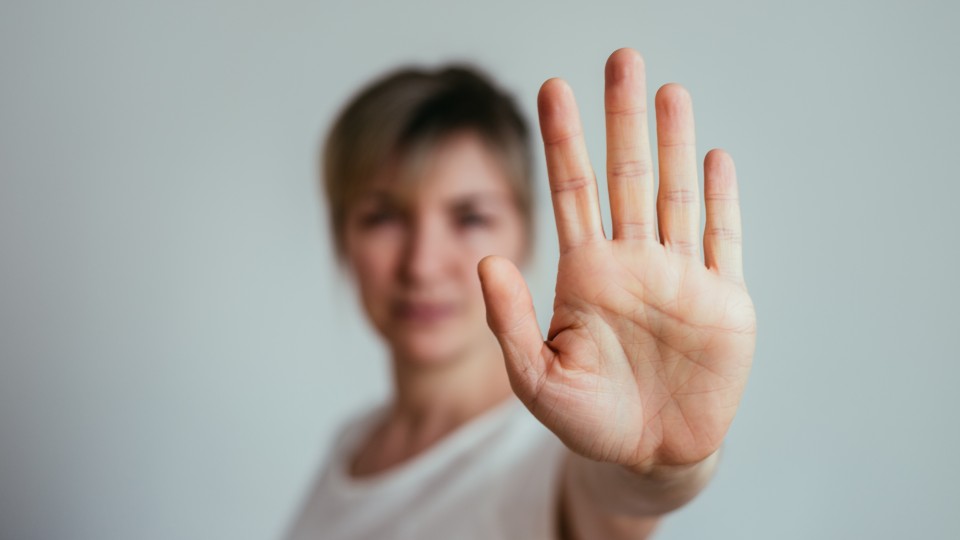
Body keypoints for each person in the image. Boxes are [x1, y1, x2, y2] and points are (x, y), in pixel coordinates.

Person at [285, 48, 757, 540]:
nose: (421, 264)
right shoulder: (351, 446)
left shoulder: (559, 449)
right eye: (382, 217)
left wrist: (660, 468)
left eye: (470, 217)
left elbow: (618, 494)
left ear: (525, 234)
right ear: (343, 239)